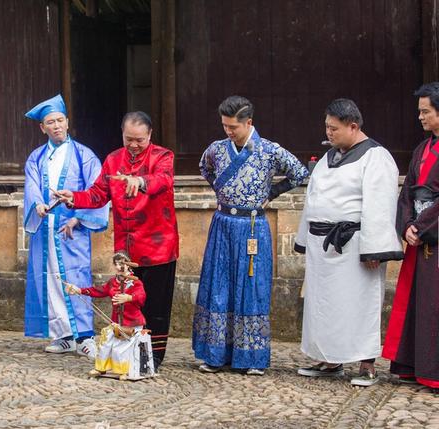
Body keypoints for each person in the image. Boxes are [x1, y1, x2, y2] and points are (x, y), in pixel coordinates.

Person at [192, 95, 308, 376]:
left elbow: (299, 173)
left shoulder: (269, 150)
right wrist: (223, 192)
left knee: (251, 287)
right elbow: (204, 168)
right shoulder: (216, 150)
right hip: (222, 222)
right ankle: (215, 354)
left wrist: (272, 193)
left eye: (233, 127)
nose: (228, 132)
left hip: (252, 225)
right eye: (225, 126)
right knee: (218, 285)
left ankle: (251, 357)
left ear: (249, 123)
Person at [55, 111, 179, 369]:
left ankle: (153, 357)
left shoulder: (163, 157)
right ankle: (129, 350)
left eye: (139, 140)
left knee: (155, 305)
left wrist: (139, 180)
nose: (134, 145)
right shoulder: (113, 160)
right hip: (127, 249)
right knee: (127, 301)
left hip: (158, 246)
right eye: (128, 139)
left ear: (150, 136)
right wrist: (73, 198)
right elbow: (98, 194)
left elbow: (163, 181)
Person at [295, 99, 403, 386]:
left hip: (354, 244)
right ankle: (331, 359)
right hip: (322, 245)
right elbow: (312, 199)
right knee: (325, 304)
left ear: (353, 126)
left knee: (359, 302)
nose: (328, 133)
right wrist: (305, 239)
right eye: (327, 127)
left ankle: (365, 363)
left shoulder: (375, 157)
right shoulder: (328, 158)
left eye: (334, 128)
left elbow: (379, 205)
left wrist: (374, 248)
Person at [23, 94, 108, 359]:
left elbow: (97, 190)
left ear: (68, 122)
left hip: (73, 231)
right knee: (50, 280)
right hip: (46, 229)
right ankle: (63, 335)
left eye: (60, 120)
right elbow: (32, 187)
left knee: (77, 278)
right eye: (51, 122)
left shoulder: (84, 156)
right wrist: (37, 204)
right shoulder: (36, 158)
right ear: (43, 127)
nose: (57, 125)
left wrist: (77, 218)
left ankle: (85, 336)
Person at [382, 82, 439, 388]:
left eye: (425, 111)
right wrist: (406, 225)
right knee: (417, 303)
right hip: (419, 237)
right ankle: (414, 365)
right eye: (420, 111)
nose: (420, 117)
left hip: (434, 237)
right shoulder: (421, 149)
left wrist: (424, 225)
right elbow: (406, 193)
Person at [64, 251, 155, 380]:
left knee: (120, 348)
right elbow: (98, 291)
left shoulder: (135, 283)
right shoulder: (113, 282)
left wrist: (129, 297)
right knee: (105, 343)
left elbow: (141, 296)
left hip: (132, 323)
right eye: (117, 264)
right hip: (116, 322)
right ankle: (101, 368)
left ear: (129, 264)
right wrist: (79, 290)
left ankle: (123, 370)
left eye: (122, 263)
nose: (119, 267)